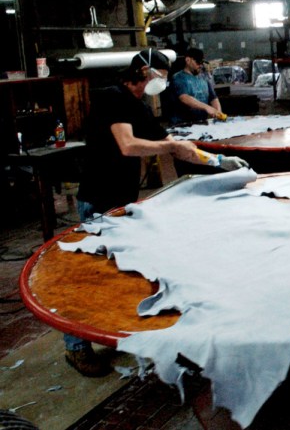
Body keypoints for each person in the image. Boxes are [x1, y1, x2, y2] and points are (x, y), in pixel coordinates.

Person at [68, 48, 249, 377]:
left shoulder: (138, 107)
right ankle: (75, 348)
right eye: (160, 78)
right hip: (98, 196)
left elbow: (174, 144)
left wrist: (219, 162)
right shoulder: (112, 96)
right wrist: (169, 147)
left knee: (118, 268)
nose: (162, 84)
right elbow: (128, 145)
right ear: (143, 72)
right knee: (89, 274)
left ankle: (108, 327)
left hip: (121, 198)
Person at [171, 47, 223, 124]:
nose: (201, 65)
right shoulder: (179, 78)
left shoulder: (204, 77)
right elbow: (184, 97)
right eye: (198, 62)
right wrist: (207, 107)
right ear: (188, 60)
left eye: (202, 63)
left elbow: (213, 98)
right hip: (182, 125)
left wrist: (218, 112)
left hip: (201, 123)